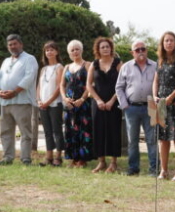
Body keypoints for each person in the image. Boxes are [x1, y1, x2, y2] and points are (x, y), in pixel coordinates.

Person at [0, 34, 38, 165]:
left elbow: (29, 78)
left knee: (25, 132)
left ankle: (25, 158)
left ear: (21, 44)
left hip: (22, 101)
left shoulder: (29, 59)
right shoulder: (6, 61)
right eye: (10, 45)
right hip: (5, 102)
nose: (12, 47)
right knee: (6, 131)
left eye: (15, 44)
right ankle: (7, 157)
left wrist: (15, 91)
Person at [116, 40, 158, 176]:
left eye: (143, 49)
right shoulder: (126, 67)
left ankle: (154, 169)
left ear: (146, 50)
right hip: (131, 108)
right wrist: (124, 105)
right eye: (137, 49)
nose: (141, 51)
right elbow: (119, 87)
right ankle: (133, 168)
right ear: (132, 52)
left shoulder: (155, 66)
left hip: (150, 107)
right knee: (132, 140)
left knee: (152, 139)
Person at [152, 32, 175, 181]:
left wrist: (171, 97)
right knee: (162, 138)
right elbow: (156, 80)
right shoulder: (160, 60)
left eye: (171, 40)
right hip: (160, 103)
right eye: (166, 41)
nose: (169, 43)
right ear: (162, 43)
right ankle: (164, 170)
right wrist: (154, 95)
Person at [87, 37, 122, 173]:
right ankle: (101, 162)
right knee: (98, 131)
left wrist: (112, 100)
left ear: (111, 48)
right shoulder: (94, 64)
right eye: (103, 47)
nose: (106, 49)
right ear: (98, 50)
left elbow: (122, 84)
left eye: (107, 46)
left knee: (114, 131)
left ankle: (113, 163)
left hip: (114, 102)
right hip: (98, 103)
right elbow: (89, 85)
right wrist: (98, 100)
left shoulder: (118, 63)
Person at [60, 40, 94, 168]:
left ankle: (82, 159)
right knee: (70, 130)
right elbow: (62, 85)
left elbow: (90, 84)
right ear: (69, 53)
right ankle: (73, 158)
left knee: (83, 130)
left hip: (83, 104)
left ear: (81, 50)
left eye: (77, 49)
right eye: (72, 50)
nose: (75, 52)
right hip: (69, 104)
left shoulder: (88, 65)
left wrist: (82, 99)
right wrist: (64, 98)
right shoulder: (67, 67)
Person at [37, 41, 64, 167]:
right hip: (42, 105)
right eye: (47, 50)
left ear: (56, 52)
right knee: (47, 131)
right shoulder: (43, 69)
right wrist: (39, 100)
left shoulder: (60, 67)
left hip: (55, 104)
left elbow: (59, 87)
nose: (49, 52)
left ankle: (58, 157)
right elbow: (39, 86)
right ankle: (48, 157)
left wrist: (48, 102)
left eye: (52, 49)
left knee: (57, 131)